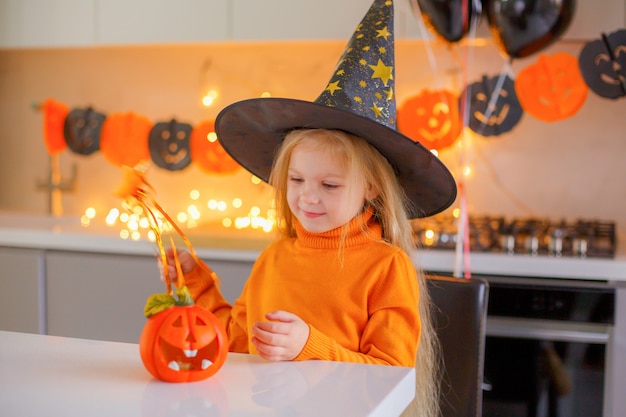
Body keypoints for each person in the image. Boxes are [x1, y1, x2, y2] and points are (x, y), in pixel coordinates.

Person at [160, 1, 457, 416]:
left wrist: (308, 347)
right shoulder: (275, 258)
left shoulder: (386, 268)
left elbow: (390, 376)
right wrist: (196, 285)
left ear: (370, 187)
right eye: (297, 181)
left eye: (329, 185)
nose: (308, 197)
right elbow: (237, 341)